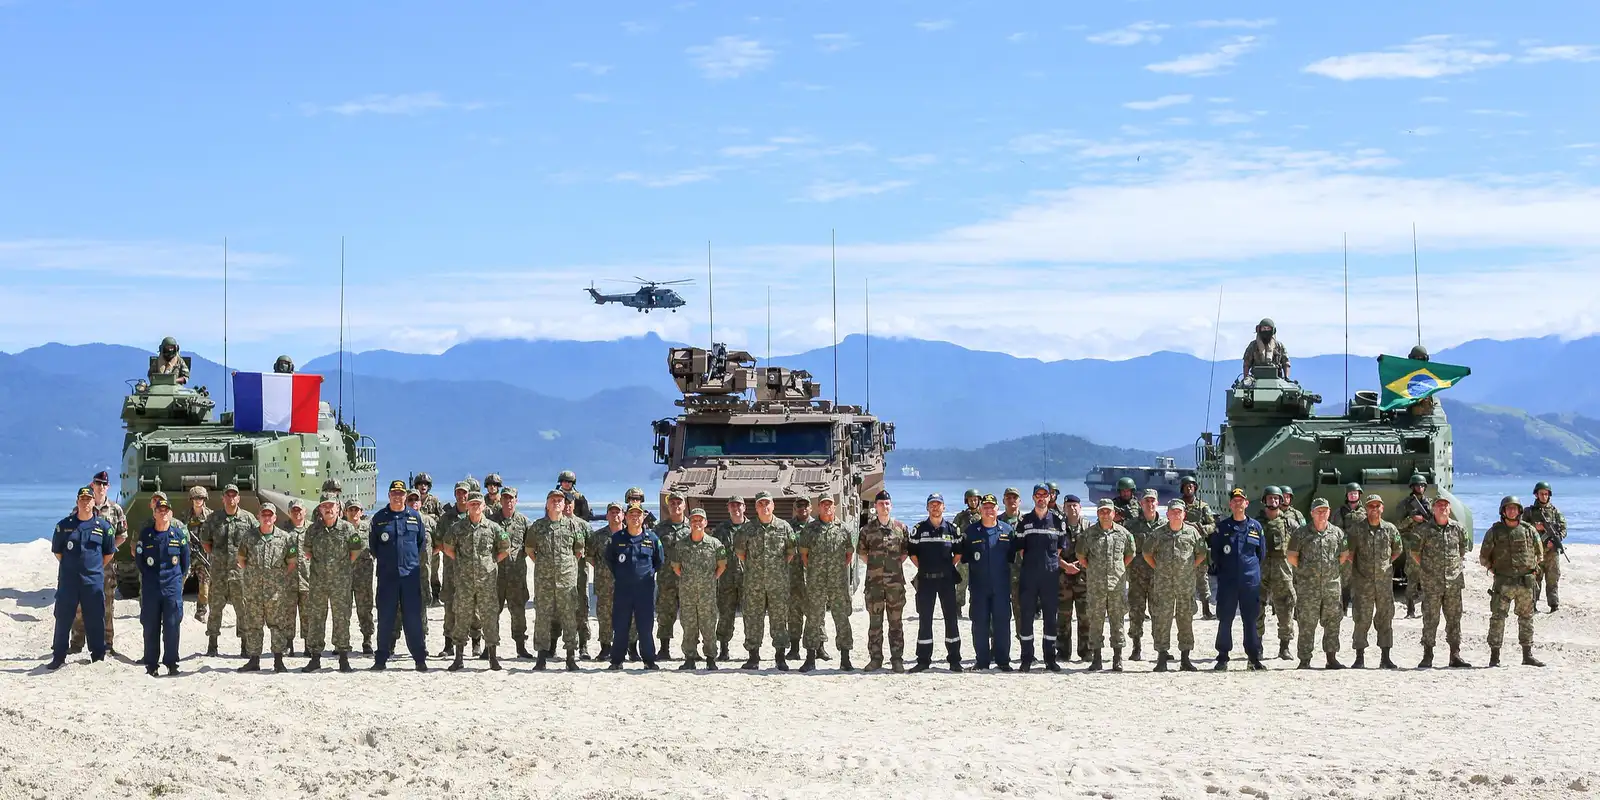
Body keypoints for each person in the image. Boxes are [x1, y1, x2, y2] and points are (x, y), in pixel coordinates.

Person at [49, 487, 117, 669]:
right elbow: (58, 552)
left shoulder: (103, 527)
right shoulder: (64, 526)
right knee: (63, 618)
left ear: (94, 502)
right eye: (82, 499)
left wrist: (93, 568)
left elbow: (108, 553)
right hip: (69, 581)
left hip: (92, 581)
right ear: (77, 501)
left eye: (89, 499)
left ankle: (98, 656)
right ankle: (58, 656)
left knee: (95, 618)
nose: (86, 502)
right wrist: (72, 567)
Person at [442, 490, 509, 671]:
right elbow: (447, 547)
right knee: (462, 617)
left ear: (484, 506)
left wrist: (491, 562)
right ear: (467, 506)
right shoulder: (457, 528)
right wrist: (461, 562)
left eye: (478, 504)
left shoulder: (493, 528)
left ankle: (492, 657)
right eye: (472, 504)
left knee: (489, 618)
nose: (475, 506)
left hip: (486, 582)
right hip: (464, 582)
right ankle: (458, 658)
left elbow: (505, 548)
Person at [370, 480, 430, 672]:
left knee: (413, 619)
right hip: (387, 577)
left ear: (405, 496)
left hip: (409, 577)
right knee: (385, 618)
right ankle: (381, 659)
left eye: (401, 493)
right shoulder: (379, 518)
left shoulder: (414, 517)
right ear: (389, 495)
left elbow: (420, 543)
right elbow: (374, 547)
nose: (398, 496)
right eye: (394, 493)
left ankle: (419, 659)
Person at [1479, 496, 1545, 667]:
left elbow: (1539, 554)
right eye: (1508, 508)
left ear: (1520, 511)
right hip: (1503, 583)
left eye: (1514, 508)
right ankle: (1494, 657)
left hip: (1525, 582)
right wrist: (1495, 570)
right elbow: (1484, 557)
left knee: (1526, 618)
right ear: (1503, 511)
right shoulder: (1494, 531)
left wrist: (1531, 569)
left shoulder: (1529, 530)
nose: (1511, 511)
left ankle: (1527, 655)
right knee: (1498, 618)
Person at [1286, 499, 1351, 670]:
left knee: (1333, 622)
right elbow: (1292, 556)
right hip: (1308, 588)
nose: (1322, 514)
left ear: (1329, 512)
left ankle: (1331, 658)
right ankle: (1304, 660)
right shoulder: (1301, 533)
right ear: (1312, 513)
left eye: (1325, 510)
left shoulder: (1338, 533)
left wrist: (1329, 572)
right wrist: (1307, 571)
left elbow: (1344, 555)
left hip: (1331, 587)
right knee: (1307, 623)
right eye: (1318, 511)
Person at [735, 491, 796, 670]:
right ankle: (753, 657)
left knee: (779, 619)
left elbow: (790, 552)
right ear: (756, 507)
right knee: (753, 619)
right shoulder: (747, 529)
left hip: (778, 584)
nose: (764, 507)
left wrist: (776, 569)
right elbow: (741, 553)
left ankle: (780, 657)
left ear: (773, 505)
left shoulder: (784, 527)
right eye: (760, 504)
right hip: (754, 584)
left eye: (767, 503)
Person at [1409, 496, 1472, 668]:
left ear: (1449, 509)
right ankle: (1427, 655)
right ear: (1433, 509)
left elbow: (1462, 550)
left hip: (1453, 583)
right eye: (1439, 505)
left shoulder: (1458, 528)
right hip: (1432, 583)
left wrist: (1452, 568)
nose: (1443, 508)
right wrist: (1428, 569)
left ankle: (1455, 655)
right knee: (1430, 619)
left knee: (1454, 619)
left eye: (1445, 505)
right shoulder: (1423, 530)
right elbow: (1415, 553)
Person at [301, 494, 362, 672]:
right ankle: (315, 658)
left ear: (338, 508)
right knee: (316, 618)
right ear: (320, 509)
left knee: (341, 618)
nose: (328, 509)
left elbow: (355, 551)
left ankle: (343, 658)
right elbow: (307, 552)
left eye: (331, 505)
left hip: (340, 583)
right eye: (324, 506)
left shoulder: (347, 528)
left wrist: (341, 568)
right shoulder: (313, 530)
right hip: (318, 582)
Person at [1143, 499, 1206, 672]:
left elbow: (1201, 553)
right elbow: (1147, 553)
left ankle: (1185, 658)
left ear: (1184, 514)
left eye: (1179, 512)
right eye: (1173, 512)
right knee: (1162, 620)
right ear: (1168, 514)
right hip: (1164, 585)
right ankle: (1162, 657)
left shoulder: (1192, 533)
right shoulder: (1158, 533)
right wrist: (1158, 568)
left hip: (1185, 585)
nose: (1176, 514)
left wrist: (1190, 567)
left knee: (1185, 620)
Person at [236, 504, 299, 673]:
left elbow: (292, 562)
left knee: (277, 626)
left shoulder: (285, 538)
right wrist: (253, 576)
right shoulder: (249, 537)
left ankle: (278, 661)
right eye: (264, 515)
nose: (267, 518)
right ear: (258, 517)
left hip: (275, 593)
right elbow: (241, 559)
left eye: (270, 515)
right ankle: (254, 660)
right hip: (254, 591)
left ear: (275, 518)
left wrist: (278, 578)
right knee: (253, 625)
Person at [69, 471, 126, 655]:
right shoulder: (82, 507)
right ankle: (77, 643)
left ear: (108, 487)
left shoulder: (115, 509)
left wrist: (108, 550)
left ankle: (107, 643)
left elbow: (122, 535)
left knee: (107, 605)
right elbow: (71, 532)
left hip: (106, 565)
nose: (101, 487)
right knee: (80, 604)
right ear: (92, 485)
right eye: (98, 483)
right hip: (84, 564)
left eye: (104, 484)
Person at [526, 489, 583, 671]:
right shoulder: (538, 526)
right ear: (547, 504)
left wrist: (566, 567)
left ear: (564, 504)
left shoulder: (573, 526)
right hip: (544, 581)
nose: (556, 503)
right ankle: (541, 657)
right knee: (542, 618)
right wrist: (544, 565)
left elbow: (578, 551)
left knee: (569, 617)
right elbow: (530, 550)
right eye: (553, 500)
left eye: (560, 500)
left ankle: (570, 657)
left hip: (566, 581)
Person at [1211, 488, 1267, 671]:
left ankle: (1253, 658)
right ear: (1230, 504)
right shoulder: (1222, 527)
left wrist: (1248, 570)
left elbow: (1261, 554)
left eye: (1241, 500)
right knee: (1225, 619)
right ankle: (1222, 657)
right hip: (1228, 582)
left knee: (1250, 620)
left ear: (1246, 503)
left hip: (1249, 582)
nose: (1238, 503)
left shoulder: (1255, 527)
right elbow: (1215, 554)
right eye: (1234, 501)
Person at [196, 484, 255, 656]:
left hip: (240, 573)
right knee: (215, 609)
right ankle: (212, 645)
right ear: (223, 498)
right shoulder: (214, 519)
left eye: (234, 495)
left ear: (238, 498)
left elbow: (256, 539)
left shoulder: (248, 519)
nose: (231, 498)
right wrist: (217, 557)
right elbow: (205, 541)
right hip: (218, 573)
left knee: (243, 609)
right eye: (228, 495)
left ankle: (245, 646)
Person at [1076, 499, 1135, 672]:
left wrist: (1118, 568)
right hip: (1096, 586)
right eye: (1101, 511)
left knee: (1117, 621)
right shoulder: (1088, 534)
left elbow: (1130, 554)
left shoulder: (1123, 533)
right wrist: (1094, 570)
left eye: (1108, 511)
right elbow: (1081, 556)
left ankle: (1117, 658)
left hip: (1116, 586)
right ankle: (1097, 659)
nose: (1105, 514)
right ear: (1097, 514)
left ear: (1114, 513)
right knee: (1096, 621)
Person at [799, 495, 855, 672]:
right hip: (816, 581)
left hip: (838, 582)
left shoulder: (844, 529)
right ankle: (810, 658)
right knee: (813, 618)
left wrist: (835, 569)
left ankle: (845, 659)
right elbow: (804, 555)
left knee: (842, 617)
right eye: (823, 504)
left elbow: (849, 555)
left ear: (834, 506)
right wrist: (816, 570)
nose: (826, 507)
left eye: (829, 504)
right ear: (819, 507)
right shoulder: (810, 529)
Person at [909, 492, 963, 673]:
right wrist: (924, 568)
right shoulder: (918, 529)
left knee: (951, 620)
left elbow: (958, 553)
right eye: (932, 504)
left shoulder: (952, 529)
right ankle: (923, 660)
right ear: (927, 507)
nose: (935, 507)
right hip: (925, 581)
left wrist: (947, 567)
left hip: (946, 580)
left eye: (938, 504)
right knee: (925, 620)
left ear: (943, 507)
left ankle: (954, 659)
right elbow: (912, 554)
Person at [1014, 484, 1066, 672]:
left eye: (1045, 494)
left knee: (1050, 618)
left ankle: (1050, 659)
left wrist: (1047, 563)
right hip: (1029, 575)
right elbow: (1020, 549)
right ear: (1034, 497)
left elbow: (1059, 549)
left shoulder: (1058, 521)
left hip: (1050, 576)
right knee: (1027, 616)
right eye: (1038, 495)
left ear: (1050, 497)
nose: (1041, 498)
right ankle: (1026, 658)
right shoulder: (1024, 521)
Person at [1347, 494, 1402, 669]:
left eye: (1377, 506)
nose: (1374, 509)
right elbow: (1349, 553)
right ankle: (1359, 658)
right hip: (1363, 583)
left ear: (1382, 508)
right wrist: (1364, 569)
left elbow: (1397, 550)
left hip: (1384, 584)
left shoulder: (1390, 529)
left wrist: (1384, 565)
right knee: (1361, 619)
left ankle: (1385, 658)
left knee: (1385, 618)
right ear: (1366, 509)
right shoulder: (1357, 530)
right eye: (1371, 506)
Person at [607, 503, 664, 670]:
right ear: (625, 517)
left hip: (644, 590)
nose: (635, 517)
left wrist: (647, 574)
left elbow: (659, 561)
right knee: (620, 626)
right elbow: (609, 560)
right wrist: (622, 575)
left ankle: (649, 660)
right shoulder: (617, 538)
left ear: (643, 517)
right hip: (623, 590)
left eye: (638, 514)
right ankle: (617, 661)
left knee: (645, 626)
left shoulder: (652, 538)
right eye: (631, 514)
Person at [961, 493, 1015, 671]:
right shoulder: (971, 532)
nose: (989, 510)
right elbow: (966, 557)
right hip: (979, 587)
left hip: (1001, 586)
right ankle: (982, 661)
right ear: (980, 509)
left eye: (992, 507)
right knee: (980, 624)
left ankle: (1003, 661)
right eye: (985, 507)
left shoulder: (1007, 531)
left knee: (1002, 624)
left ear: (997, 509)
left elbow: (1011, 557)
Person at [857, 490, 910, 672]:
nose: (884, 506)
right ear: (876, 506)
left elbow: (905, 553)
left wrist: (892, 566)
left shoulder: (900, 528)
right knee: (875, 624)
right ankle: (875, 659)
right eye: (881, 504)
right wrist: (877, 566)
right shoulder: (867, 530)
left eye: (887, 503)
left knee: (896, 623)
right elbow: (862, 553)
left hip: (895, 584)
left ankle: (897, 659)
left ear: (891, 505)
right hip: (874, 584)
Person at [135, 497, 188, 676]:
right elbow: (140, 561)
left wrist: (175, 579)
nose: (163, 513)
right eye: (159, 510)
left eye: (166, 511)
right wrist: (150, 577)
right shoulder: (146, 535)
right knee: (151, 627)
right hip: (151, 587)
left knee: (172, 626)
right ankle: (151, 665)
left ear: (171, 514)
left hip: (171, 587)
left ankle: (172, 663)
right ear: (154, 513)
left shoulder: (178, 535)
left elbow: (185, 563)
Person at [671, 507, 727, 670]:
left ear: (705, 523)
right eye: (694, 520)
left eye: (700, 520)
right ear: (690, 523)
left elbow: (722, 565)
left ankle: (710, 658)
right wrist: (688, 580)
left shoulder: (715, 544)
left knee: (708, 626)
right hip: (687, 594)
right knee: (689, 626)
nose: (697, 523)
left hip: (707, 594)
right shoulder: (681, 545)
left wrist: (711, 579)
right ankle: (690, 657)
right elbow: (676, 567)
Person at [489, 487, 534, 658]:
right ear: (500, 500)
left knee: (518, 612)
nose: (508, 501)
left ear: (516, 500)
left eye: (511, 498)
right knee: (492, 611)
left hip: (517, 576)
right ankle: (489, 647)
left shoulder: (524, 522)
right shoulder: (492, 521)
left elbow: (531, 546)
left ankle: (520, 647)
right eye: (505, 498)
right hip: (496, 576)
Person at [1256, 486, 1296, 660]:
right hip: (1261, 569)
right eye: (1270, 498)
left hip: (1283, 570)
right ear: (1264, 500)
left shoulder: (1290, 523)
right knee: (1257, 607)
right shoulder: (1256, 523)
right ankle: (1257, 646)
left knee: (1286, 607)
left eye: (1276, 498)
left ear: (1280, 501)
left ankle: (1284, 647)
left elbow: (1299, 545)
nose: (1273, 501)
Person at [1124, 489, 1163, 661]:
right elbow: (1125, 549)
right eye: (1146, 501)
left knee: (1159, 613)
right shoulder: (1131, 525)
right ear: (1141, 503)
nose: (1150, 504)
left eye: (1152, 501)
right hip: (1136, 577)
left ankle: (1161, 648)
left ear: (1157, 503)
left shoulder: (1164, 525)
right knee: (1136, 613)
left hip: (1157, 577)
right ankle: (1136, 647)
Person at [590, 503, 632, 662]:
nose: (615, 515)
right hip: (604, 584)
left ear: (623, 515)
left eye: (618, 512)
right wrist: (604, 570)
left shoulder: (631, 534)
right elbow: (591, 557)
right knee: (604, 616)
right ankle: (605, 647)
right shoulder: (598, 536)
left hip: (626, 584)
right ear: (607, 516)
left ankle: (629, 647)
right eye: (612, 512)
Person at [652, 490, 690, 661]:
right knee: (665, 614)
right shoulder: (659, 529)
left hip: (687, 580)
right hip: (666, 579)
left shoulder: (692, 527)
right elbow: (652, 552)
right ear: (668, 506)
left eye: (678, 503)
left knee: (689, 616)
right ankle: (664, 649)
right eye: (672, 503)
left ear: (684, 505)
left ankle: (690, 649)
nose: (675, 506)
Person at [713, 496, 748, 662]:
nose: (736, 508)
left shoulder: (751, 528)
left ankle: (752, 650)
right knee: (725, 614)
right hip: (726, 579)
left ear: (744, 507)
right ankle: (724, 648)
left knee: (750, 615)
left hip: (748, 579)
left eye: (738, 505)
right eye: (732, 506)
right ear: (728, 508)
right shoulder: (721, 530)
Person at [1056, 494, 1091, 662]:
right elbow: (1051, 552)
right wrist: (1066, 566)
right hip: (1063, 579)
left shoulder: (1088, 527)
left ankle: (1086, 651)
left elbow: (1093, 551)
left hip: (1084, 578)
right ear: (1064, 508)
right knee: (1063, 617)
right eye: (1068, 506)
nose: (1072, 508)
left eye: (1075, 505)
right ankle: (1063, 652)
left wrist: (1078, 564)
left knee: (1085, 616)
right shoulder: (1058, 527)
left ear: (1080, 507)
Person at [1179, 476, 1216, 621]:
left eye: (1191, 486)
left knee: (1202, 579)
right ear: (1182, 488)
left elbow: (1213, 525)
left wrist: (1202, 529)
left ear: (1195, 488)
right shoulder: (1178, 505)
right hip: (1182, 547)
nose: (1189, 488)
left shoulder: (1203, 506)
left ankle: (1206, 610)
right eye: (1186, 486)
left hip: (1199, 546)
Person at [1393, 474, 1430, 619]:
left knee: (1428, 579)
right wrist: (1412, 519)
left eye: (1422, 485)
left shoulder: (1429, 503)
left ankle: (1426, 610)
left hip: (1427, 544)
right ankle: (1410, 610)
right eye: (1417, 485)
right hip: (1412, 544)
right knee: (1412, 578)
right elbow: (1398, 525)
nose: (1420, 488)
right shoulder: (1405, 504)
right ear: (1412, 487)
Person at [280, 499, 314, 657]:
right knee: (288, 614)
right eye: (294, 510)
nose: (297, 513)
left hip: (309, 579)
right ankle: (288, 645)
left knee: (308, 614)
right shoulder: (282, 530)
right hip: (288, 580)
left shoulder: (313, 529)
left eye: (299, 510)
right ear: (289, 512)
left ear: (305, 511)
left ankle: (308, 645)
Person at [1527, 482, 1567, 612]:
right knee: (1534, 579)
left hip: (1551, 553)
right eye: (1541, 494)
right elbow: (1521, 527)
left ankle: (1554, 605)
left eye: (1546, 494)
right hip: (1535, 552)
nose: (1544, 496)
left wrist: (1555, 541)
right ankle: (1532, 605)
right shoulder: (1529, 512)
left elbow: (1563, 530)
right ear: (1536, 495)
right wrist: (1535, 526)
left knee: (1552, 579)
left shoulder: (1555, 512)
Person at [344, 499, 375, 654]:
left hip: (364, 576)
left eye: (356, 510)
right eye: (351, 510)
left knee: (365, 609)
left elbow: (376, 548)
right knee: (343, 610)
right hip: (344, 576)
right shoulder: (341, 529)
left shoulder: (369, 529)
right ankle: (342, 642)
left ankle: (367, 640)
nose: (354, 513)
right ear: (345, 512)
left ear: (361, 512)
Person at [786, 496, 812, 661]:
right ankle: (794, 648)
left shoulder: (816, 526)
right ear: (795, 509)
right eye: (799, 506)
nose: (802, 508)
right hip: (793, 577)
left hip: (813, 577)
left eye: (805, 505)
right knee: (794, 614)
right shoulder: (788, 527)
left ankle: (818, 647)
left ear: (810, 508)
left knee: (815, 614)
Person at [185, 487, 212, 624]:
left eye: (201, 498)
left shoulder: (210, 516)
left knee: (204, 587)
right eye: (196, 498)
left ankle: (201, 613)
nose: (198, 500)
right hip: (189, 554)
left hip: (203, 555)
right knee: (179, 581)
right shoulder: (186, 515)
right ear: (191, 499)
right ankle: (173, 609)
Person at [952, 489, 982, 617]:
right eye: (971, 500)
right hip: (964, 554)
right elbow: (953, 532)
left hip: (979, 555)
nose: (973, 502)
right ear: (966, 501)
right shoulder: (961, 516)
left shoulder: (983, 515)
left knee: (976, 583)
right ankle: (957, 606)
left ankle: (974, 607)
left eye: (975, 500)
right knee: (961, 582)